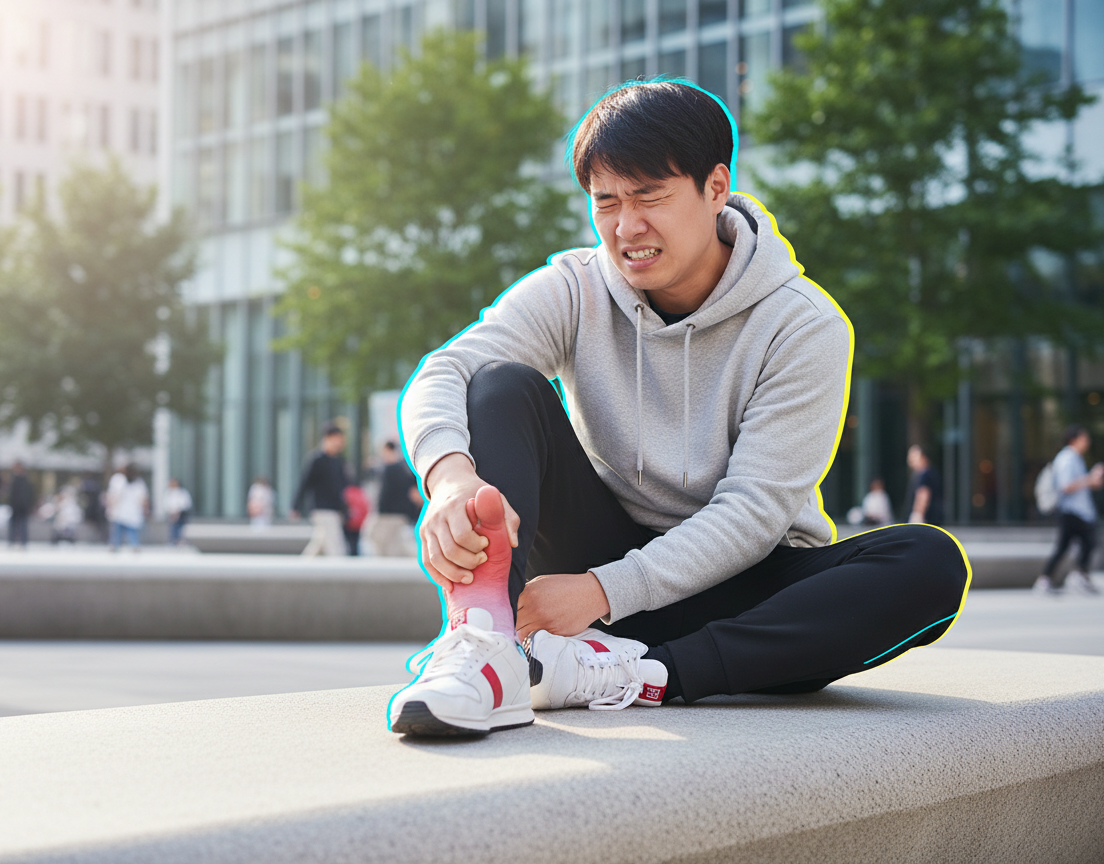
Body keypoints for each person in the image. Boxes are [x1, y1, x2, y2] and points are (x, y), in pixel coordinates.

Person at [388, 81, 970, 737]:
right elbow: (447, 368)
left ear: (716, 187)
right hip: (598, 555)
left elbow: (752, 513)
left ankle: (639, 675)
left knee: (929, 564)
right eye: (606, 202)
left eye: (649, 197)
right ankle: (487, 646)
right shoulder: (577, 287)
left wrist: (602, 592)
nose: (625, 227)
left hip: (740, 594)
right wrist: (449, 477)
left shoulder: (802, 325)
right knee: (498, 385)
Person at [1036, 425, 1104, 596]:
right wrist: (1090, 479)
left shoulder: (1076, 458)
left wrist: (1092, 481)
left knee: (1079, 544)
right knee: (1082, 543)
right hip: (1070, 511)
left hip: (1078, 511)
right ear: (1074, 439)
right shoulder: (1067, 458)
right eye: (1084, 438)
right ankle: (1063, 578)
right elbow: (1066, 486)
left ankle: (1067, 577)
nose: (1087, 442)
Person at [290, 423, 348, 556]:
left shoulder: (338, 461)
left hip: (335, 510)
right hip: (322, 509)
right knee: (336, 548)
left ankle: (302, 567)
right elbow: (304, 483)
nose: (339, 443)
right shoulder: (317, 460)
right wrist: (295, 506)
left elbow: (341, 488)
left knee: (318, 547)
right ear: (328, 438)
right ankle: (341, 570)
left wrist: (344, 509)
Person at [368, 441, 422, 557]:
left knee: (376, 535)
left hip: (389, 513)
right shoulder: (405, 468)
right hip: (401, 513)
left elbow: (384, 494)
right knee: (395, 542)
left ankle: (416, 558)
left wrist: (379, 509)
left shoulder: (391, 469)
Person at [106, 464, 148, 551]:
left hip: (123, 513)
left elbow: (113, 496)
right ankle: (133, 546)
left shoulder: (120, 480)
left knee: (119, 533)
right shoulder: (135, 482)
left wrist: (110, 507)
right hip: (128, 513)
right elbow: (143, 499)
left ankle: (117, 546)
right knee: (128, 533)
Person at [906, 445, 944, 525]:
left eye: (913, 458)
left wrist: (917, 515)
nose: (910, 461)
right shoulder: (931, 473)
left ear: (923, 457)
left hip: (927, 519)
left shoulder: (924, 475)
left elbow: (923, 495)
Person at [7, 462, 36, 547]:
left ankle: (18, 540)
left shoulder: (17, 480)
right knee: (19, 524)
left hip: (19, 506)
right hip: (20, 506)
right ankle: (17, 540)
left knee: (20, 524)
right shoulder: (24, 480)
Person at [164, 478, 193, 546]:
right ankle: (173, 542)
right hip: (171, 515)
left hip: (181, 514)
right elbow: (165, 504)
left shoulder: (182, 492)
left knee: (180, 529)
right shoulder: (168, 493)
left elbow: (186, 503)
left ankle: (179, 541)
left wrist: (178, 511)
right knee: (172, 528)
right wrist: (171, 512)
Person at [343, 484, 369, 556]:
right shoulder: (360, 493)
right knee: (355, 545)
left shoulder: (347, 491)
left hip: (349, 523)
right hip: (358, 524)